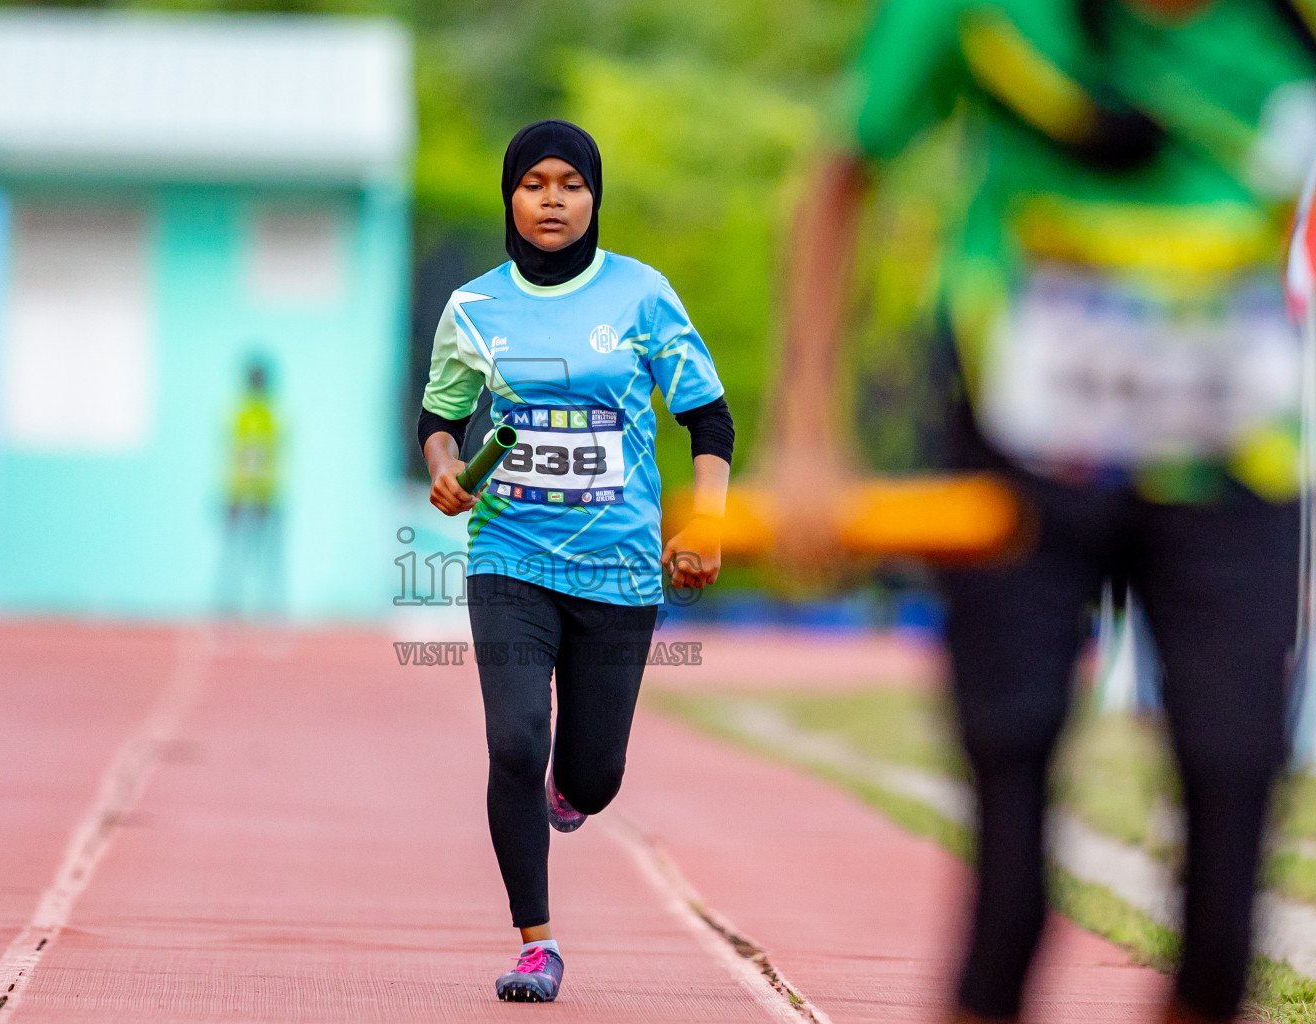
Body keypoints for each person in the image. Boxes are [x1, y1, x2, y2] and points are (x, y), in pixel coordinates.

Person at [783, 1, 1316, 1020]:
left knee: (1234, 802)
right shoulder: (983, 16)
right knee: (1013, 864)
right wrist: (810, 432)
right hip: (1022, 448)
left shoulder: (1277, 34)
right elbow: (842, 171)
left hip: (1232, 461)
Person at [418, 119, 735, 1003]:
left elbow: (708, 418)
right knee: (514, 742)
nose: (551, 199)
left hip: (618, 572)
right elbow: (440, 419)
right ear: (510, 198)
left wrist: (704, 524)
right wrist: (446, 472)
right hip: (509, 556)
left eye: (571, 184)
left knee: (591, 776)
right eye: (533, 183)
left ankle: (574, 786)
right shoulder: (474, 307)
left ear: (594, 198)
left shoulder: (641, 296)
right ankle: (536, 944)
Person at [216, 357, 285, 621]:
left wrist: (266, 496)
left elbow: (273, 461)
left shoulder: (270, 415)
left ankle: (270, 617)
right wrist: (233, 496)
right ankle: (227, 616)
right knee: (234, 560)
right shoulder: (242, 414)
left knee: (267, 563)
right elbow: (234, 459)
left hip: (266, 501)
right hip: (244, 499)